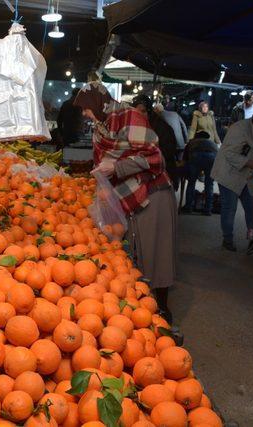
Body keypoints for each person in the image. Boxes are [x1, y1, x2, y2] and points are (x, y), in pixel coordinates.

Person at [76, 93, 176, 322]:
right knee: (136, 254)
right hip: (129, 196)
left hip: (152, 192)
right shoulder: (102, 128)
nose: (84, 114)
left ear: (98, 103)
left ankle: (160, 311)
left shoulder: (131, 118)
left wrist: (117, 167)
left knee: (156, 254)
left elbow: (157, 160)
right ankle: (140, 307)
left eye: (85, 108)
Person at [210, 108, 253, 251]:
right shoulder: (239, 128)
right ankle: (228, 240)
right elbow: (228, 153)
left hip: (247, 177)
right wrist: (250, 163)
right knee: (229, 209)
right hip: (228, 174)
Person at [131, 95, 179, 190]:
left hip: (163, 173)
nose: (139, 114)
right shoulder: (138, 126)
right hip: (146, 172)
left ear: (149, 111)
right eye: (135, 112)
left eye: (143, 111)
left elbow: (167, 152)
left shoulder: (161, 127)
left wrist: (147, 158)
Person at [182, 131, 218, 215]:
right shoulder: (212, 143)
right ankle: (208, 210)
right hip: (212, 157)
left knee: (191, 183)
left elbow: (185, 160)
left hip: (196, 156)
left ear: (196, 136)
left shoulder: (192, 142)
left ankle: (188, 208)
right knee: (209, 184)